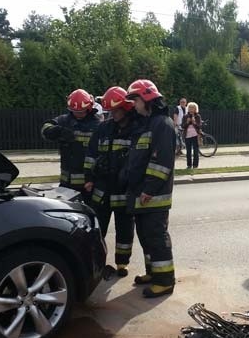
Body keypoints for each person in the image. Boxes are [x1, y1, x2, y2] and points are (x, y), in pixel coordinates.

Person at [124, 79, 177, 298]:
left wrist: (149, 189)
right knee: (145, 236)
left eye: (135, 100)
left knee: (156, 236)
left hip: (153, 196)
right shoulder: (147, 123)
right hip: (142, 194)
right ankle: (153, 272)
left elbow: (162, 162)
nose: (134, 105)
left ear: (146, 99)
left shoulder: (162, 124)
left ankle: (165, 280)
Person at [85, 86, 139, 278]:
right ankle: (98, 264)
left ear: (126, 108)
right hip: (102, 189)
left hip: (123, 190)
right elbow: (91, 154)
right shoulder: (103, 128)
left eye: (116, 111)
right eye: (110, 111)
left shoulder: (135, 129)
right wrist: (89, 179)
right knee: (98, 229)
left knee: (124, 230)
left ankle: (122, 263)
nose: (113, 114)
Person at [41, 89, 101, 194]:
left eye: (81, 111)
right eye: (75, 111)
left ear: (88, 108)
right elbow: (45, 128)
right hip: (66, 183)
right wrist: (56, 130)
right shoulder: (63, 120)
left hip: (88, 185)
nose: (77, 114)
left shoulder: (97, 125)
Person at [181, 101, 202, 169]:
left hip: (195, 135)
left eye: (193, 108)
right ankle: (189, 165)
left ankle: (195, 165)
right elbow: (183, 126)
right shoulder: (185, 116)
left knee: (196, 151)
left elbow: (199, 126)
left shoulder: (197, 116)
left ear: (195, 109)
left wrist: (194, 122)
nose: (191, 109)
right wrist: (187, 122)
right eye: (190, 107)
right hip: (187, 136)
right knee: (188, 151)